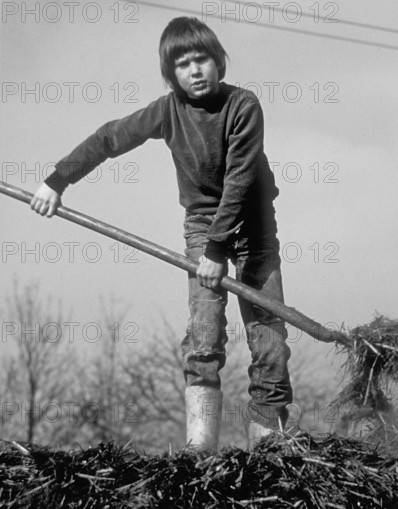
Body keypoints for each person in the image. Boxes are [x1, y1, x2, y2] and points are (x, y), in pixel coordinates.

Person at [30, 16, 292, 452]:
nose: (195, 70)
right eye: (183, 63)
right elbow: (110, 138)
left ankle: (271, 449)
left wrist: (216, 249)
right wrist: (57, 180)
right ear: (171, 75)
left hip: (253, 228)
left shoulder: (243, 106)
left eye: (202, 59)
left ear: (219, 62)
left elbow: (240, 181)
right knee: (204, 333)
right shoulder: (167, 111)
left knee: (268, 339)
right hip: (201, 226)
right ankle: (200, 448)